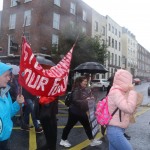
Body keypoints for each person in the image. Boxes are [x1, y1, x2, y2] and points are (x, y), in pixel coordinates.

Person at [60, 76, 102, 148]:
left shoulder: (84, 89)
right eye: (84, 81)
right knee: (69, 126)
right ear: (80, 82)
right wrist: (86, 100)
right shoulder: (77, 90)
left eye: (86, 81)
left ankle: (92, 140)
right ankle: (63, 140)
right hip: (75, 112)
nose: (86, 82)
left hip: (81, 111)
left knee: (87, 126)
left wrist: (91, 97)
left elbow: (85, 98)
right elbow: (75, 101)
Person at [106, 69, 137, 150]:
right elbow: (129, 108)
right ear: (125, 81)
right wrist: (132, 91)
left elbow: (128, 109)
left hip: (118, 130)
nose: (131, 84)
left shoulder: (121, 92)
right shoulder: (116, 92)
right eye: (130, 82)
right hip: (115, 131)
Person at [0, 62, 24, 150]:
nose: (9, 78)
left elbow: (9, 113)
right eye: (6, 75)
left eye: (9, 75)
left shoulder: (5, 93)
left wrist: (17, 103)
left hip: (5, 139)